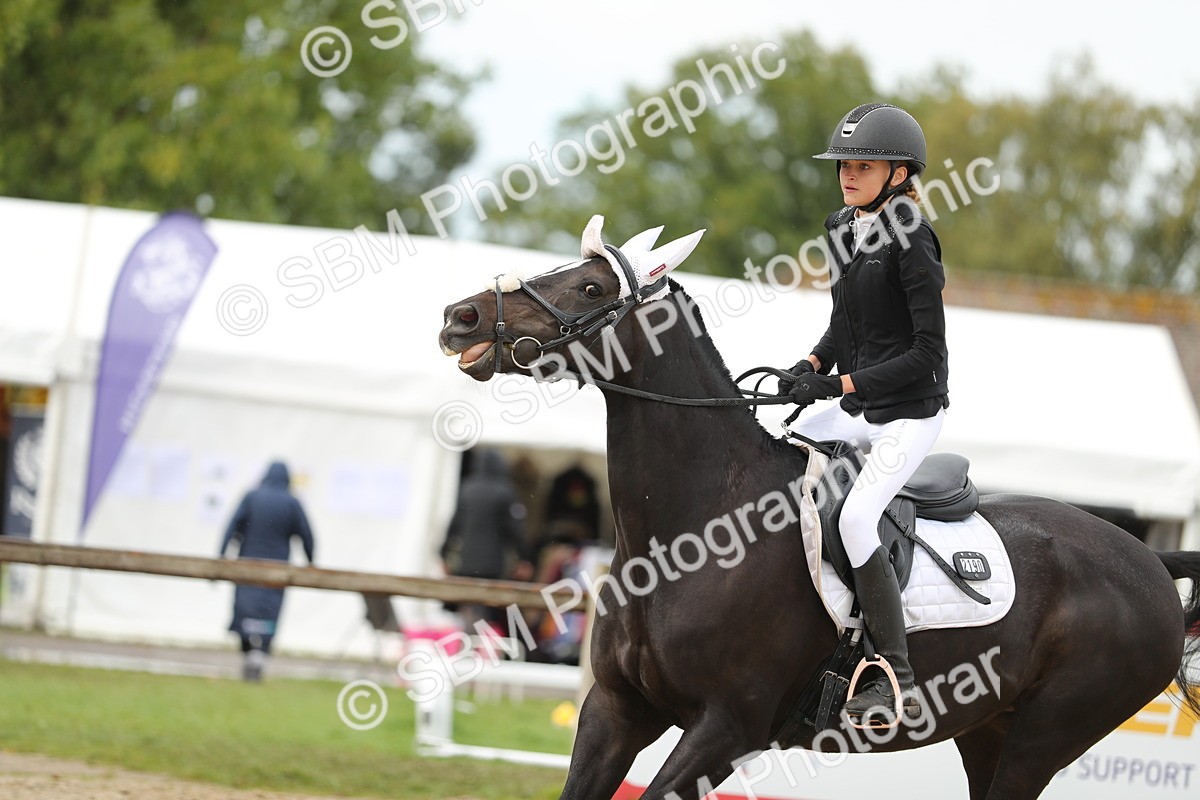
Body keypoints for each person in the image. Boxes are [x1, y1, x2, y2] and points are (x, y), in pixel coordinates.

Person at [778, 103, 949, 725]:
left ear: (898, 175)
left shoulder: (913, 237)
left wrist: (839, 382)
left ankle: (893, 674)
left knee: (855, 519)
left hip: (909, 414)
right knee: (777, 443)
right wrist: (810, 365)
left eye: (863, 166)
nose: (848, 175)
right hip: (859, 406)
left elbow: (927, 353)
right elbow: (844, 324)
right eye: (844, 165)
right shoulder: (840, 226)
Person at [219, 460, 315, 681]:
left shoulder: (251, 497)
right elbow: (307, 535)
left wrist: (221, 557)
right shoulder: (292, 502)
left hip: (247, 569)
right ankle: (260, 655)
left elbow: (231, 527)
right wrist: (311, 562)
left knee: (245, 612)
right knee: (269, 614)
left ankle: (248, 654)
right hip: (276, 572)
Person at [440, 448, 533, 630]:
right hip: (492, 565)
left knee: (467, 607)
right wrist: (525, 558)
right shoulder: (504, 491)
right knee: (488, 611)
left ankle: (466, 639)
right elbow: (515, 530)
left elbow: (454, 525)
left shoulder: (467, 489)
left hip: (466, 563)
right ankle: (480, 642)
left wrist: (443, 554)